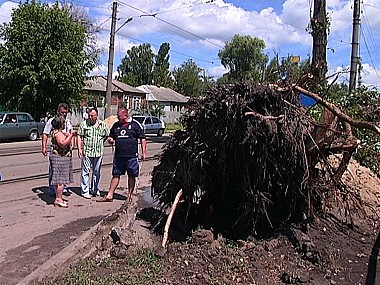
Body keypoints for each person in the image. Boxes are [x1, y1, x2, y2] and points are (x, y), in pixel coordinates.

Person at [97, 107, 147, 202]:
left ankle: (130, 195)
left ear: (125, 115)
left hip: (131, 156)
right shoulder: (116, 125)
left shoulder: (135, 125)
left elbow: (143, 138)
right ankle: (110, 195)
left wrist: (144, 152)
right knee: (116, 175)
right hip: (119, 156)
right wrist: (111, 140)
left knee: (131, 175)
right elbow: (111, 136)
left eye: (119, 117)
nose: (118, 118)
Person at [41, 103, 73, 197]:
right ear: (58, 111)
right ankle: (52, 189)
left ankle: (63, 188)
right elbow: (45, 134)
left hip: (66, 151)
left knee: (65, 171)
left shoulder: (68, 122)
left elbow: (71, 134)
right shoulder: (52, 121)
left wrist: (72, 145)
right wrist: (44, 147)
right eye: (62, 112)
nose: (64, 114)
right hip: (56, 151)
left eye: (66, 112)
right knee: (54, 171)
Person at [77, 107, 109, 199]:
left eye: (92, 116)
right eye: (89, 115)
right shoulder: (84, 124)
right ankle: (85, 191)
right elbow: (79, 136)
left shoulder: (103, 125)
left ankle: (95, 189)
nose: (90, 117)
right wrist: (79, 149)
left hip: (98, 152)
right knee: (85, 172)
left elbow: (106, 135)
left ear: (97, 115)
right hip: (87, 151)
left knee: (97, 172)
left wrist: (101, 142)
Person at [50, 116, 77, 207]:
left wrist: (67, 135)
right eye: (63, 123)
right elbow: (62, 144)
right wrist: (71, 135)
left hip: (60, 158)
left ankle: (59, 198)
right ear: (60, 124)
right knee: (61, 180)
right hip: (60, 158)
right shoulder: (58, 134)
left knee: (58, 179)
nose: (65, 124)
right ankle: (58, 199)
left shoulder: (57, 132)